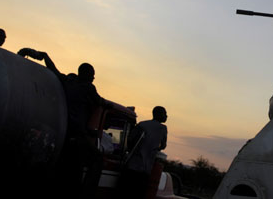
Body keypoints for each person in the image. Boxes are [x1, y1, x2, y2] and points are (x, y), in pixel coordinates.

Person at [17, 48, 103, 198]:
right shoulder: (88, 88)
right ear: (87, 75)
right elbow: (100, 101)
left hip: (63, 132)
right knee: (97, 159)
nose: (94, 78)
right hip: (77, 134)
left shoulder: (67, 82)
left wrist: (45, 56)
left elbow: (54, 70)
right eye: (92, 74)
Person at [118, 106, 168, 199]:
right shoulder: (162, 128)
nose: (166, 116)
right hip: (144, 170)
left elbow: (130, 141)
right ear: (159, 114)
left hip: (131, 166)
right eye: (165, 114)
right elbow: (163, 146)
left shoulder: (142, 124)